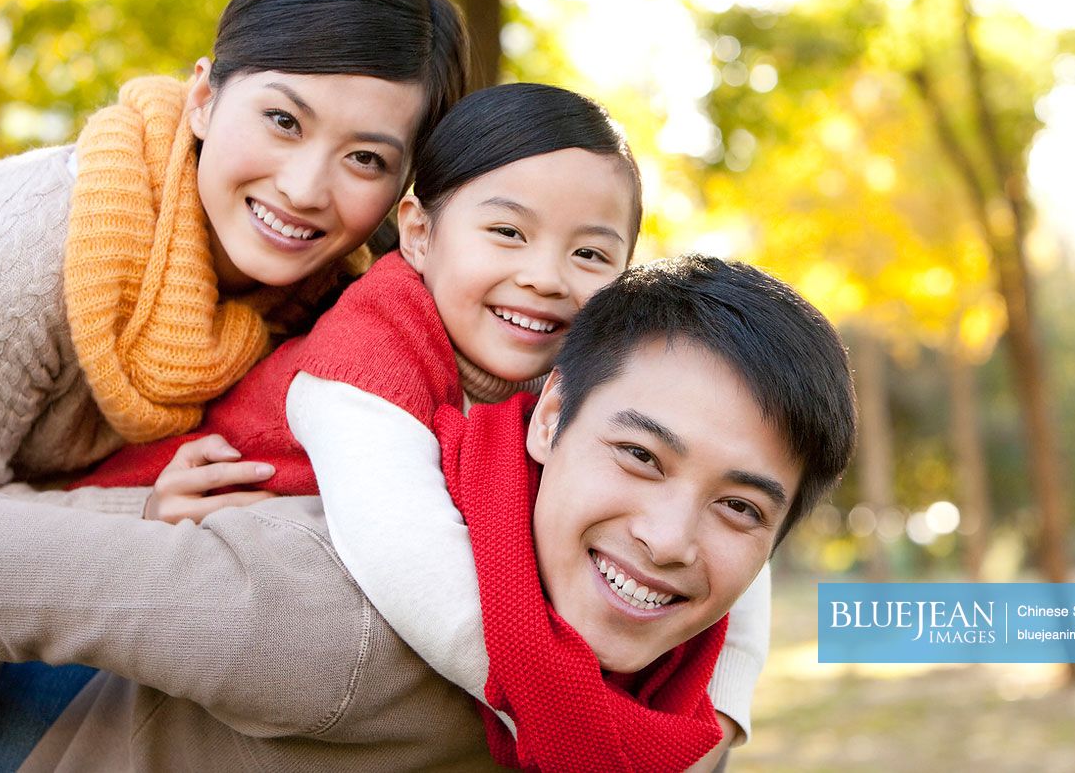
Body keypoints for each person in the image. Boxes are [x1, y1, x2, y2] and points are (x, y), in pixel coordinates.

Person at [71, 82, 766, 757]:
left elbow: (730, 497)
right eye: (506, 232)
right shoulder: (372, 344)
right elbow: (421, 574)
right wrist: (580, 729)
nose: (547, 277)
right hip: (114, 574)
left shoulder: (593, 366)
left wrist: (724, 720)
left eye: (589, 254)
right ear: (420, 233)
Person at [0, 254, 857, 772]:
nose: (667, 539)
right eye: (638, 456)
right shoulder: (326, 624)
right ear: (547, 418)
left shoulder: (666, 711)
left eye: (736, 506)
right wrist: (138, 508)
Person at [0, 0, 468, 489]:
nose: (302, 190)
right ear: (204, 99)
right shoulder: (29, 255)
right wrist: (129, 514)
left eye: (365, 159)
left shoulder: (343, 294)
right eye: (283, 120)